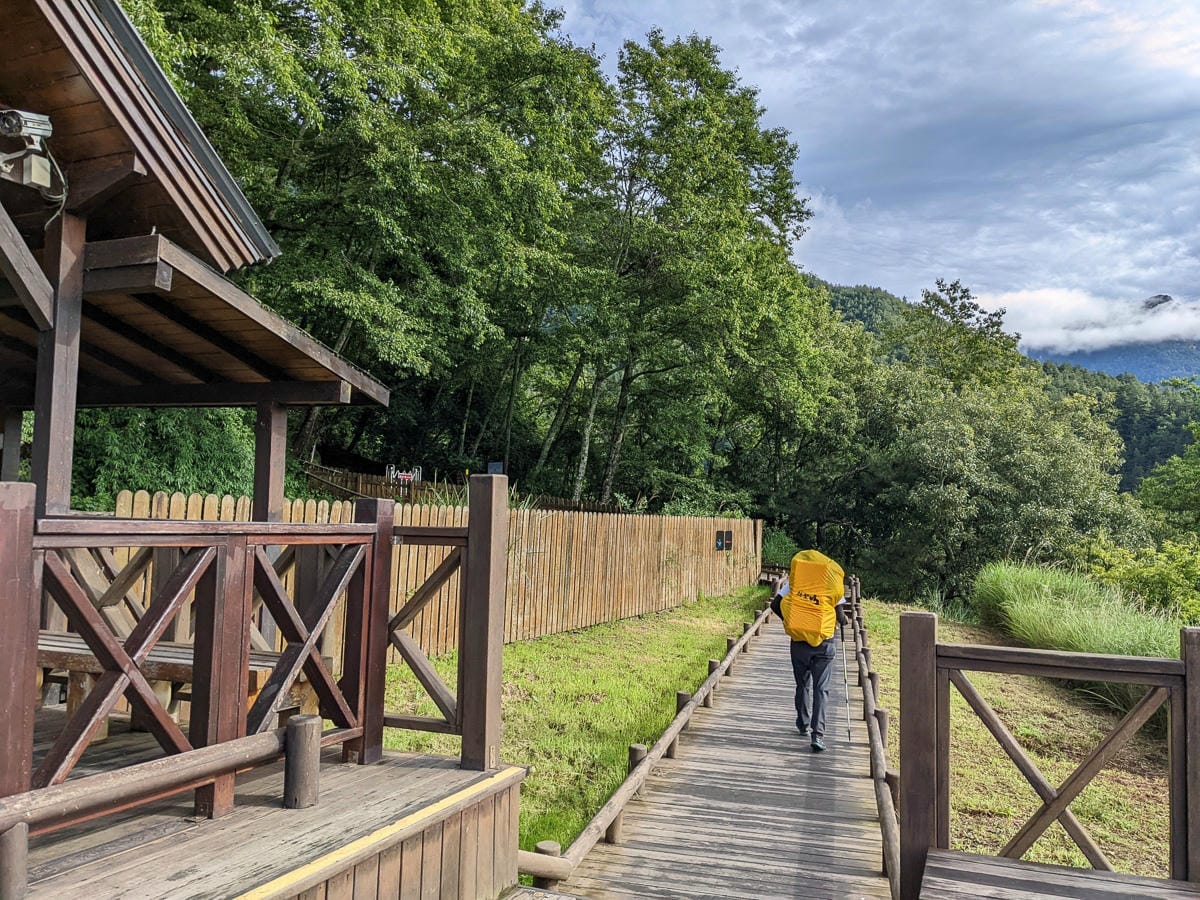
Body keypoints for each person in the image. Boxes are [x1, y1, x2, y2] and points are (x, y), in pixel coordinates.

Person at [770, 549, 848, 752]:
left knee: (802, 684)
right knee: (821, 688)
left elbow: (775, 605)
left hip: (798, 642)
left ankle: (803, 723)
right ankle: (818, 734)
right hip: (824, 644)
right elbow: (841, 616)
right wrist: (842, 620)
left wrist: (791, 621)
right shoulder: (831, 586)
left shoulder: (795, 584)